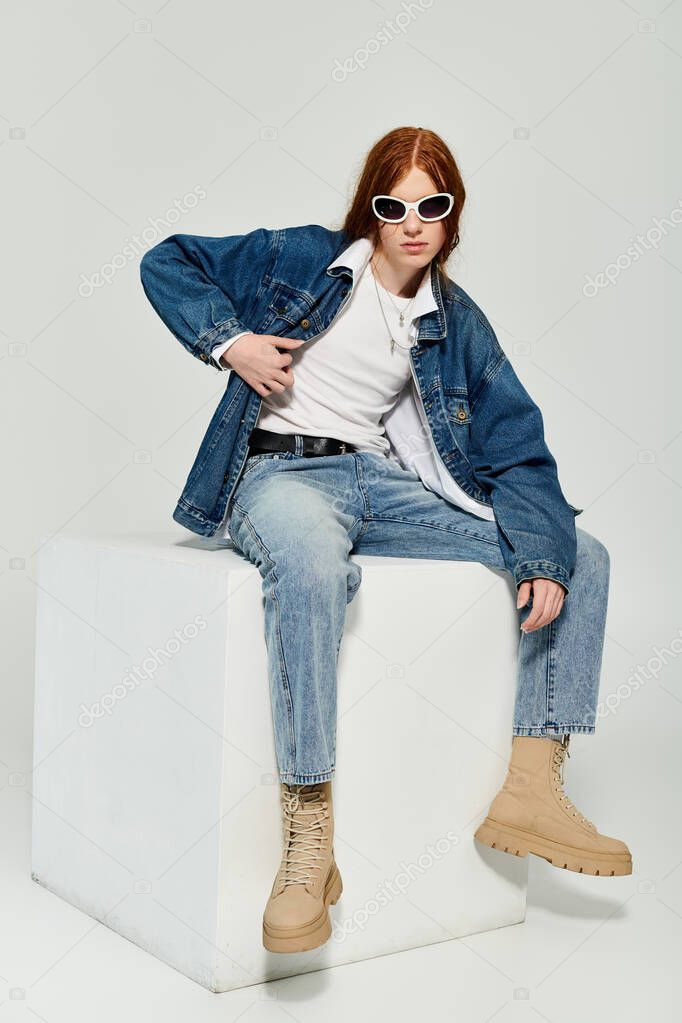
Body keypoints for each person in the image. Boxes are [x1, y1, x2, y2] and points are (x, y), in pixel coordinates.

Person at [139, 125, 632, 955]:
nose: (411, 221)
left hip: (379, 485)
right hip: (280, 476)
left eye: (429, 205)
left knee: (582, 554)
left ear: (451, 217)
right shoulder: (299, 258)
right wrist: (232, 343)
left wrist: (543, 556)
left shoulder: (456, 321)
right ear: (368, 207)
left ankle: (533, 782)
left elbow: (516, 445)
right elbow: (167, 259)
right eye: (392, 203)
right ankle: (309, 834)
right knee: (306, 564)